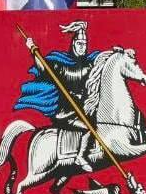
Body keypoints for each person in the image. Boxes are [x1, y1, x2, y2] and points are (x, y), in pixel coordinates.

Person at [15, 21, 98, 171]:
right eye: (79, 43)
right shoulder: (61, 64)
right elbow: (44, 68)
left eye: (85, 44)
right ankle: (80, 156)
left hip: (83, 110)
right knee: (89, 128)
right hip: (65, 113)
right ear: (73, 44)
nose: (82, 47)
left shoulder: (89, 64)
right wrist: (33, 49)